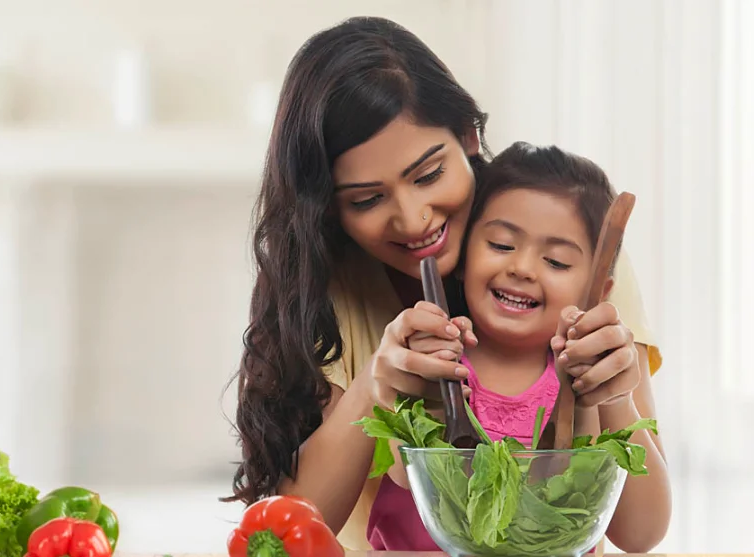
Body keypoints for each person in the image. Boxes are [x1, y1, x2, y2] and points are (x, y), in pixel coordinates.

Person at [223, 15, 669, 553]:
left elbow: (641, 530)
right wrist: (376, 387)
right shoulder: (335, 287)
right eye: (366, 200)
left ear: (468, 136)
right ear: (327, 210)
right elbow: (284, 531)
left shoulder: (577, 257)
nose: (412, 221)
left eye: (428, 175)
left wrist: (615, 397)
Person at [365, 141, 672, 551]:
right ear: (461, 260)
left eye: (557, 262)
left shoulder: (590, 390)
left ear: (599, 293)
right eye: (501, 245)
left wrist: (613, 400)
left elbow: (641, 536)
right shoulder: (436, 363)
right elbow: (409, 475)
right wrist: (433, 398)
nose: (522, 268)